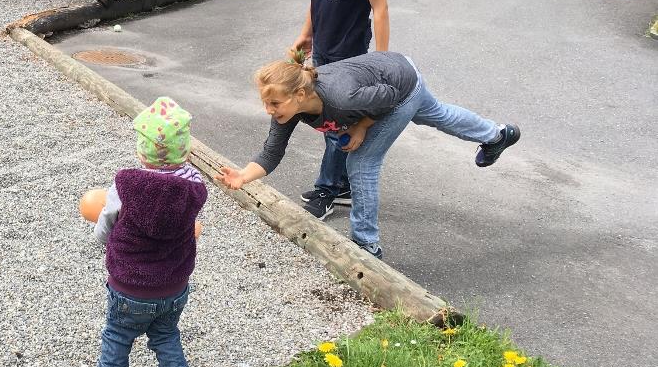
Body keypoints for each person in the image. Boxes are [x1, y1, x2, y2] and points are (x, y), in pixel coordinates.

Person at [215, 52, 519, 260]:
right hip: (396, 70)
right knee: (435, 114)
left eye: (274, 104)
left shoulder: (342, 99)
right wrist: (243, 176)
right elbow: (272, 151)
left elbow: (389, 97)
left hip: (399, 87)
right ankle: (497, 135)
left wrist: (361, 127)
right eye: (266, 103)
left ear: (300, 95)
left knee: (362, 162)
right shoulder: (288, 107)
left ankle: (366, 244)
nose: (268, 110)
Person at [85, 96, 207, 367]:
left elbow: (107, 222)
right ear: (187, 151)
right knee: (166, 334)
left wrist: (103, 241)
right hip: (174, 286)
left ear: (141, 150)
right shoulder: (193, 189)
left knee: (118, 332)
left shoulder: (125, 187)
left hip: (130, 287)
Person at [290, 0, 389, 223]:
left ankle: (328, 190)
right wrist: (307, 35)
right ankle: (343, 184)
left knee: (333, 122)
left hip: (349, 55)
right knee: (330, 119)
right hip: (324, 51)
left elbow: (380, 8)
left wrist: (382, 57)